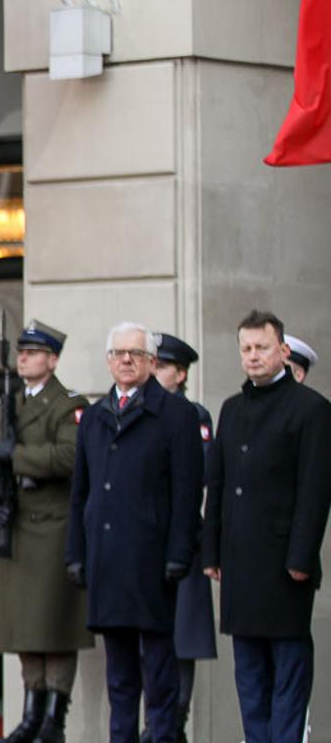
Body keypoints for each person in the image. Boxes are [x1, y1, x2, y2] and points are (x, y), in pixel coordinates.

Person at [67, 324, 203, 743]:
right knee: (120, 677)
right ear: (109, 361)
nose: (126, 360)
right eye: (119, 353)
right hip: (107, 560)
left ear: (150, 362)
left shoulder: (178, 415)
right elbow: (81, 493)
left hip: (153, 561)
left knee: (160, 674)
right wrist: (77, 553)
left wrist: (179, 553)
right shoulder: (93, 416)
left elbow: (186, 491)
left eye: (136, 353)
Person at [201, 311, 331, 743]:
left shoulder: (311, 409)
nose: (253, 356)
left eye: (262, 347)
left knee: (288, 681)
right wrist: (212, 553)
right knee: (250, 681)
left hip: (283, 568)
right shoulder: (232, 409)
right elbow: (217, 486)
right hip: (240, 564)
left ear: (283, 350)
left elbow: (314, 491)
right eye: (246, 348)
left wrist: (300, 559)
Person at [0, 320, 92, 743]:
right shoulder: (6, 407)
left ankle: (54, 719)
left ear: (52, 360)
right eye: (21, 351)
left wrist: (16, 455)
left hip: (53, 530)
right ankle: (31, 717)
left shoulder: (68, 403)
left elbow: (71, 455)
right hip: (15, 529)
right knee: (24, 633)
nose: (23, 358)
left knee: (54, 630)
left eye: (33, 352)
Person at [153, 333, 215, 742]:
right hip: (144, 540)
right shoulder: (136, 411)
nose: (154, 372)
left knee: (183, 641)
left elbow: (203, 472)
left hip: (182, 540)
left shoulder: (195, 415)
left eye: (161, 366)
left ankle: (174, 724)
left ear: (180, 373)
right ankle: (154, 725)